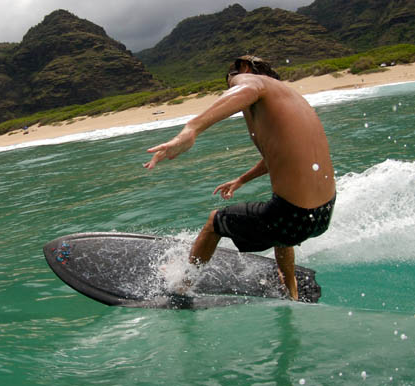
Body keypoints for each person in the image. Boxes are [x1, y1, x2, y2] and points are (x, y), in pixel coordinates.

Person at [143, 55, 336, 300]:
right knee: (279, 219)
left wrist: (191, 129)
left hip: (292, 217)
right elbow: (279, 155)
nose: (232, 88)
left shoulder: (253, 80)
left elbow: (249, 88)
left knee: (215, 222)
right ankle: (291, 289)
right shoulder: (289, 97)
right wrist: (242, 180)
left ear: (244, 68)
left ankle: (182, 285)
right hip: (321, 215)